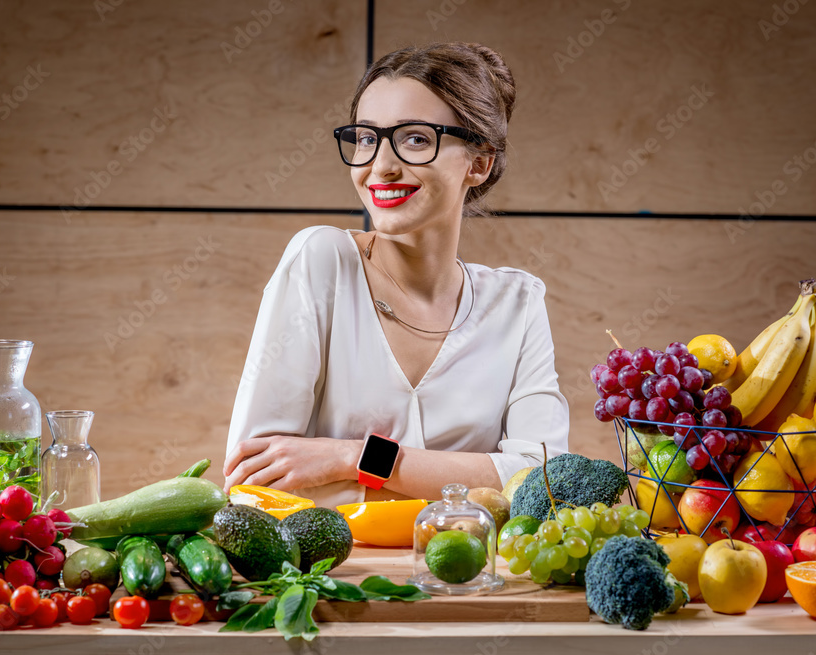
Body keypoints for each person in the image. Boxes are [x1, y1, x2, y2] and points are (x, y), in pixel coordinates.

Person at [224, 42, 569, 508]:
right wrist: (473, 476)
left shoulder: (517, 304)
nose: (380, 167)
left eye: (415, 139)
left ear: (479, 163)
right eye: (367, 139)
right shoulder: (322, 260)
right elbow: (255, 479)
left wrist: (351, 458)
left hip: (472, 578)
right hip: (332, 577)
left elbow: (540, 483)